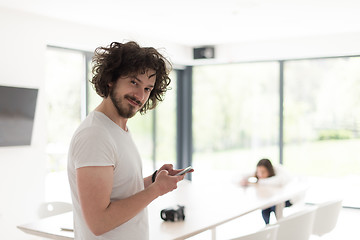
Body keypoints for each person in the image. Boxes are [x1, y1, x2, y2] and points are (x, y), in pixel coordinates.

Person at [67, 41, 191, 240]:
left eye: (148, 88)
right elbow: (99, 223)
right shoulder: (95, 135)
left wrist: (153, 180)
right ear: (111, 79)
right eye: (134, 82)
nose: (140, 95)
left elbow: (119, 191)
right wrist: (157, 190)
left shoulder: (118, 129)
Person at [240, 158, 292, 224]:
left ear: (269, 171)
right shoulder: (260, 175)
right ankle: (268, 226)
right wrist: (245, 180)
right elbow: (239, 177)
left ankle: (279, 225)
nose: (260, 175)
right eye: (258, 172)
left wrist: (257, 182)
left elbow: (279, 181)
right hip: (270, 200)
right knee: (265, 207)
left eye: (263, 172)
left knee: (273, 206)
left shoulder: (278, 172)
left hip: (286, 200)